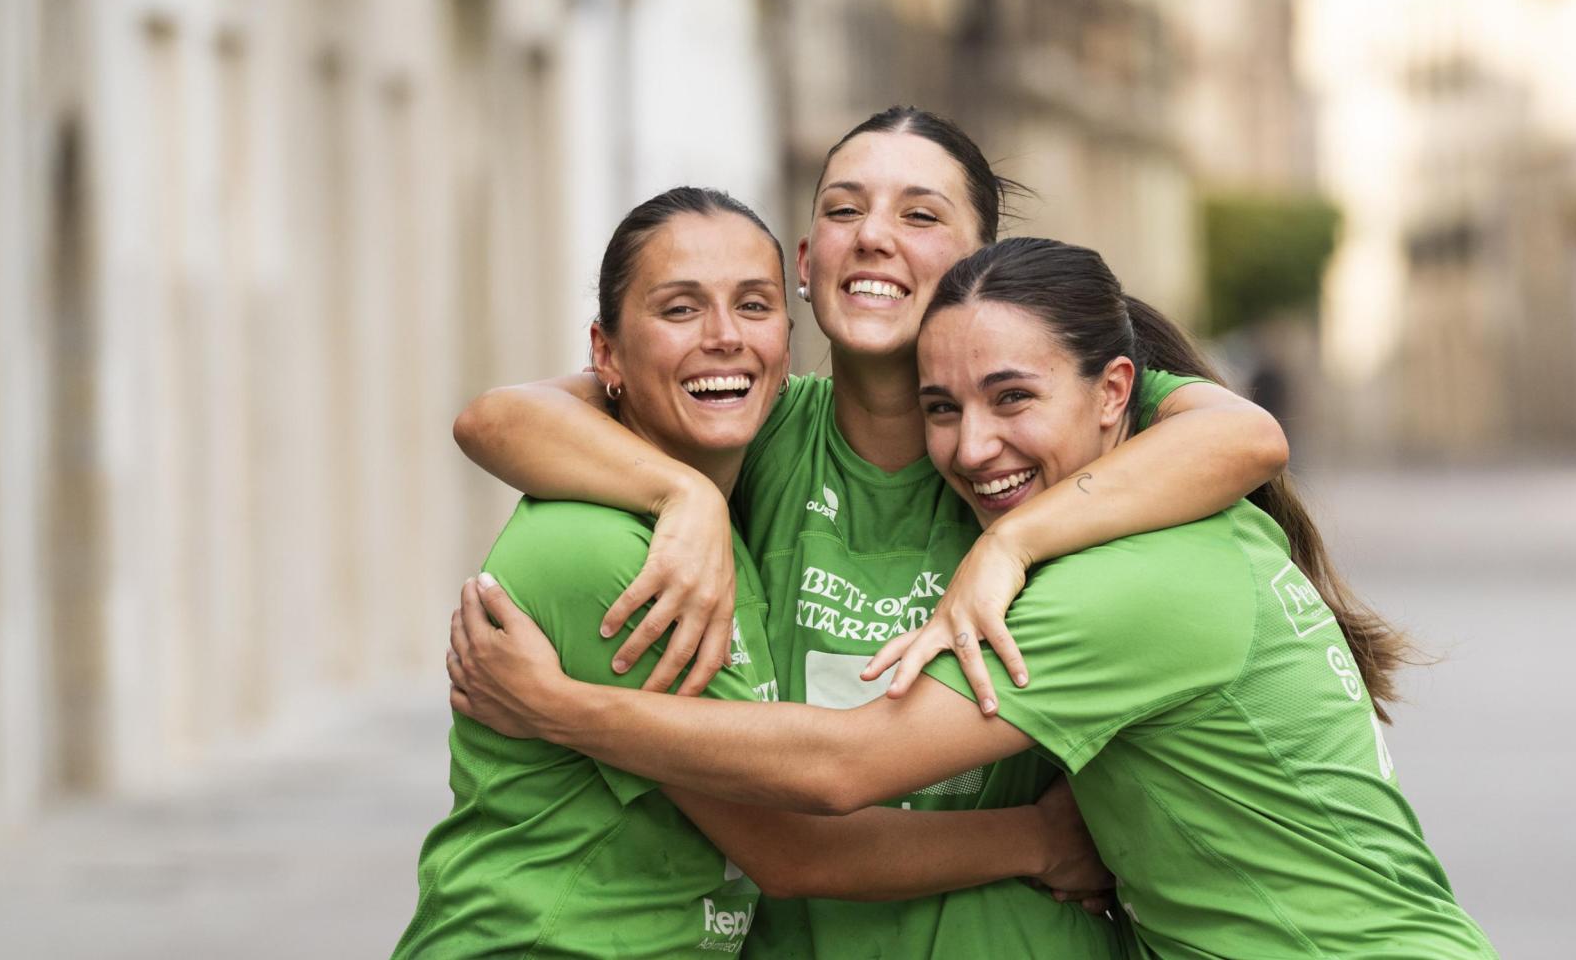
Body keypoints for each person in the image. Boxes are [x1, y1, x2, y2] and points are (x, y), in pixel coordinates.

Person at [449, 237, 1499, 959]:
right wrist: (678, 484)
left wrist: (562, 711)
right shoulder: (1179, 515)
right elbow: (510, 412)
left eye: (1013, 400)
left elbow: (839, 765)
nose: (972, 447)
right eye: (941, 408)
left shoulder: (1134, 583)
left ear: (1118, 393)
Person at [450, 107, 1291, 957]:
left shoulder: (1052, 436)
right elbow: (499, 418)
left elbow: (1246, 438)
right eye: (845, 210)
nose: (875, 237)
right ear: (808, 269)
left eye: (920, 215)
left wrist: (1012, 541)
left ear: (979, 273)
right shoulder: (745, 428)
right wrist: (684, 495)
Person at [395, 194, 1113, 960]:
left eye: (753, 305)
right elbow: (793, 844)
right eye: (679, 309)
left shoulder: (715, 519)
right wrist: (1042, 838)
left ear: (788, 340)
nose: (725, 337)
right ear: (604, 353)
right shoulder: (606, 551)